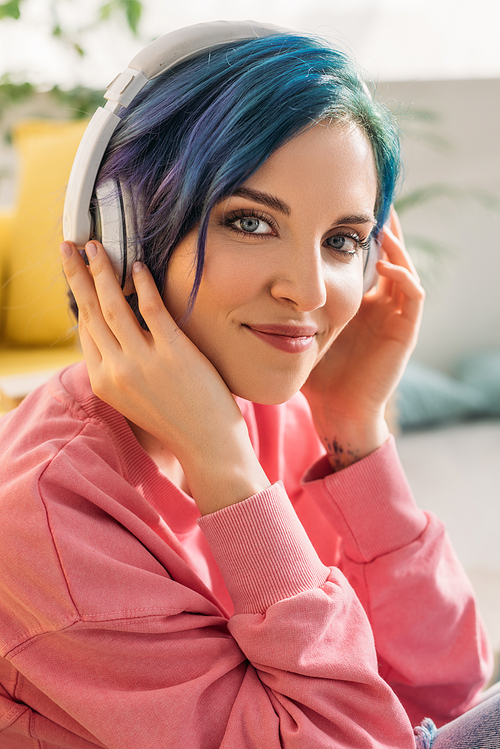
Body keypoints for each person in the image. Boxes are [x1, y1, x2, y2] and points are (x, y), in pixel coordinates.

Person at [0, 21, 495, 749]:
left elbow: (439, 684)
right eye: (251, 221)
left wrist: (353, 428)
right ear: (127, 231)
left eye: (343, 240)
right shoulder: (51, 521)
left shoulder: (264, 404)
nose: (308, 290)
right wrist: (227, 471)